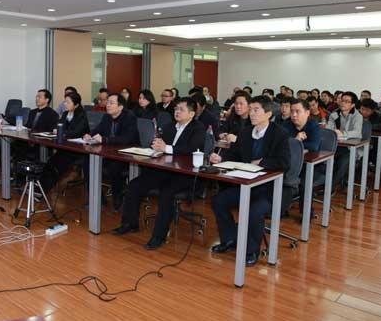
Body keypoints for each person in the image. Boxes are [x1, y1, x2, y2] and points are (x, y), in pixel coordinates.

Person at [113, 97, 205, 250]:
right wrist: (155, 146)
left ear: (191, 113)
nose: (177, 112)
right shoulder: (170, 126)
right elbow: (159, 144)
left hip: (185, 174)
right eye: (176, 109)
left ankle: (158, 237)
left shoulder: (198, 128)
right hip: (164, 169)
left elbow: (192, 148)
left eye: (181, 109)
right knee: (135, 185)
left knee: (166, 193)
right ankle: (129, 223)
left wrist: (166, 148)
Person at [209, 96, 290, 266]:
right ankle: (230, 239)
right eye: (251, 109)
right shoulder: (246, 132)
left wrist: (261, 162)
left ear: (268, 113)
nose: (251, 113)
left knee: (254, 210)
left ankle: (252, 251)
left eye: (256, 110)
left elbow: (284, 163)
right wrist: (221, 158)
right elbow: (235, 153)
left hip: (270, 187)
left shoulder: (279, 134)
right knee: (218, 200)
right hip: (247, 184)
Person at [82, 93, 139, 210]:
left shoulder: (129, 118)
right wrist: (89, 135)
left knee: (114, 167)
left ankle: (118, 198)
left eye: (111, 103)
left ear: (120, 107)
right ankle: (98, 199)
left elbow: (127, 139)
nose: (107, 105)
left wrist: (105, 139)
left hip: (127, 155)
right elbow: (97, 130)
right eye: (107, 102)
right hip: (110, 152)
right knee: (87, 162)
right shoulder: (106, 117)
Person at [39, 92, 90, 195]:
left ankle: (43, 189)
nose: (65, 104)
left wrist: (61, 132)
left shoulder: (82, 115)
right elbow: (59, 126)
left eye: (68, 102)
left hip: (77, 150)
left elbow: (75, 133)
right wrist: (59, 130)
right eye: (64, 101)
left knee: (56, 165)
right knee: (50, 163)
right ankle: (41, 189)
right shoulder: (66, 113)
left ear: (76, 105)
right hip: (65, 148)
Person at [327, 91, 363, 186]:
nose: (343, 103)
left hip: (351, 149)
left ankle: (331, 187)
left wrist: (343, 133)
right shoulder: (334, 114)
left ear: (352, 105)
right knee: (324, 159)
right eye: (342, 100)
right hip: (336, 146)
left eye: (346, 101)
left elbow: (357, 132)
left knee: (343, 162)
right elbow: (328, 129)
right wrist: (334, 132)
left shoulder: (357, 116)